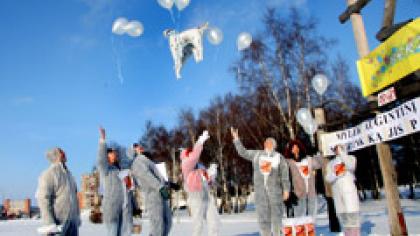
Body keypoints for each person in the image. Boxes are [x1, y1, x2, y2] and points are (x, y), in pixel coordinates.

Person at [231, 127, 290, 236]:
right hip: (261, 194)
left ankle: (278, 234)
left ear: (274, 145)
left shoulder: (279, 157)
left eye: (269, 143)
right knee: (263, 218)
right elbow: (243, 152)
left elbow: (285, 176)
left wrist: (286, 190)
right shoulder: (257, 155)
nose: (266, 144)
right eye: (265, 143)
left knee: (277, 217)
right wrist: (236, 139)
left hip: (275, 193)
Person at [181, 130, 220, 236]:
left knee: (214, 222)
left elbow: (210, 182)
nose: (191, 155)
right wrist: (200, 142)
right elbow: (194, 157)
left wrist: (213, 173)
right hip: (195, 198)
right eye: (189, 153)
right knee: (198, 225)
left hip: (207, 197)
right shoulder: (186, 165)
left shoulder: (200, 168)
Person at [130, 142, 173, 236]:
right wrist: (160, 188)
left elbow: (159, 177)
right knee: (157, 226)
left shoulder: (148, 161)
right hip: (153, 196)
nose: (139, 147)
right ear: (133, 152)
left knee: (167, 223)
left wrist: (170, 184)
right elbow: (147, 176)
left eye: (138, 145)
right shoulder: (138, 161)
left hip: (161, 195)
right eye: (135, 147)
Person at [36, 147, 80, 236]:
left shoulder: (69, 175)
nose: (64, 153)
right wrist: (49, 223)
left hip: (72, 223)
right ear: (56, 155)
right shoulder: (49, 174)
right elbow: (43, 199)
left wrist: (77, 218)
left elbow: (75, 197)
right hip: (58, 223)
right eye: (61, 152)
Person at [97, 127, 133, 236]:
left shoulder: (121, 170)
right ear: (107, 155)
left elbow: (129, 189)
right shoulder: (106, 169)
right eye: (111, 153)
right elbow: (101, 160)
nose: (114, 154)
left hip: (124, 209)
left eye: (115, 153)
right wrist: (102, 141)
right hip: (111, 210)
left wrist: (134, 207)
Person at [325, 144, 360, 236]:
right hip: (338, 194)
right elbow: (328, 178)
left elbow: (351, 166)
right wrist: (336, 174)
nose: (337, 150)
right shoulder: (331, 163)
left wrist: (342, 153)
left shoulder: (351, 158)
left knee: (352, 216)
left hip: (349, 192)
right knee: (343, 217)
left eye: (339, 148)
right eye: (336, 148)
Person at [284, 139, 322, 219]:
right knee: (299, 217)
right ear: (290, 150)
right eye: (293, 148)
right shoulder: (288, 162)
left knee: (312, 216)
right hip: (298, 193)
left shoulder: (308, 160)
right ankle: (301, 231)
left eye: (297, 147)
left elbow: (319, 164)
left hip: (311, 192)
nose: (295, 149)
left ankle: (311, 231)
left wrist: (317, 154)